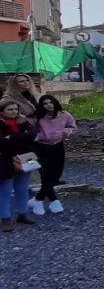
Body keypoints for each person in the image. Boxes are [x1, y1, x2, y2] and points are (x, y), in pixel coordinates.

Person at [29, 94, 76, 215]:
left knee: (56, 174)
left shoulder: (64, 114)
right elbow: (30, 131)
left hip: (58, 146)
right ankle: (51, 201)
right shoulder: (37, 118)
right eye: (45, 103)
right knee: (46, 174)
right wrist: (39, 136)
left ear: (55, 103)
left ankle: (37, 198)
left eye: (50, 102)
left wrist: (64, 133)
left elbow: (72, 126)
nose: (48, 105)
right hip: (41, 147)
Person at [0, 97, 37, 233]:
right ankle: (5, 219)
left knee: (22, 187)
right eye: (10, 109)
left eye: (16, 109)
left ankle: (23, 214)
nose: (14, 112)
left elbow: (33, 134)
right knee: (5, 191)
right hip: (6, 160)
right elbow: (3, 144)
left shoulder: (23, 121)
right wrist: (22, 137)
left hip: (25, 156)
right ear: (2, 111)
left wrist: (14, 138)